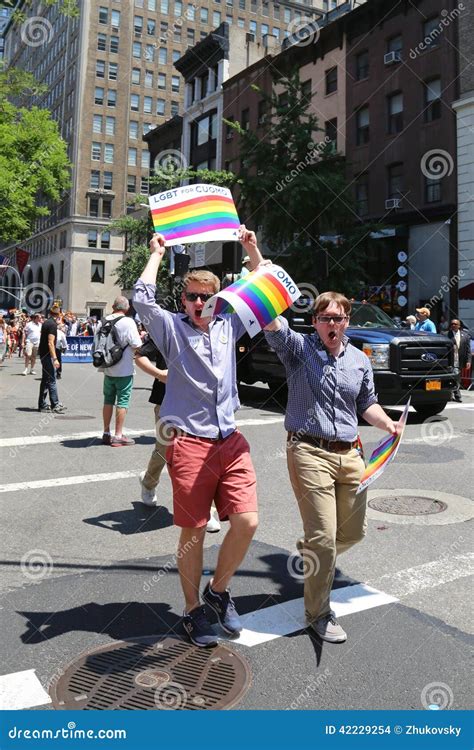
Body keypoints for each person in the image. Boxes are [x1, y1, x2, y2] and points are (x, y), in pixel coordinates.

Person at [133, 226, 262, 648]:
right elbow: (141, 300)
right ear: (183, 299)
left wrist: (252, 250)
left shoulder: (229, 326)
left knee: (247, 521)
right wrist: (156, 252)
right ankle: (192, 611)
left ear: (217, 299)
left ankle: (218, 592)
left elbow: (265, 292)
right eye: (191, 296)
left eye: (206, 296)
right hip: (188, 441)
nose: (199, 303)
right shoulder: (171, 329)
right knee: (193, 531)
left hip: (230, 439)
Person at [264, 291, 399, 644]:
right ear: (315, 322)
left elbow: (366, 402)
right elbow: (272, 323)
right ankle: (318, 613)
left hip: (351, 454)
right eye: (325, 318)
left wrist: (388, 425)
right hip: (308, 450)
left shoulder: (359, 359)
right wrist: (255, 262)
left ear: (347, 322)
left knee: (353, 533)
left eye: (338, 318)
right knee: (324, 538)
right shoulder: (300, 350)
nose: (332, 325)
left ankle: (313, 552)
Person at [135, 335, 222, 532]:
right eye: (191, 301)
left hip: (199, 404)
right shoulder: (166, 329)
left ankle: (204, 510)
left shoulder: (210, 333)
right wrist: (159, 374)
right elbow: (139, 355)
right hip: (166, 402)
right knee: (164, 449)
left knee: (199, 455)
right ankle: (148, 482)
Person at [100, 296, 142, 447]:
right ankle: (118, 434)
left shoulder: (103, 321)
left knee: (108, 400)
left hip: (107, 367)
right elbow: (137, 344)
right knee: (122, 401)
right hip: (124, 369)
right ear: (127, 308)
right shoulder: (128, 322)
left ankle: (106, 432)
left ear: (112, 306)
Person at [37, 304, 65, 413]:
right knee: (52, 379)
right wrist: (55, 358)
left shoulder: (46, 322)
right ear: (58, 315)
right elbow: (50, 343)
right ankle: (55, 404)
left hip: (43, 354)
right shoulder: (52, 325)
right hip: (48, 356)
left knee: (45, 380)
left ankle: (42, 404)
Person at [448, 319, 471, 402]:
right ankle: (457, 395)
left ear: (459, 326)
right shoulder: (446, 335)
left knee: (457, 378)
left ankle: (453, 394)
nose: (453, 325)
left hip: (460, 360)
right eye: (452, 324)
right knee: (453, 377)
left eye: (455, 324)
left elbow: (468, 350)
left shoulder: (465, 336)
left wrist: (468, 361)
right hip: (450, 360)